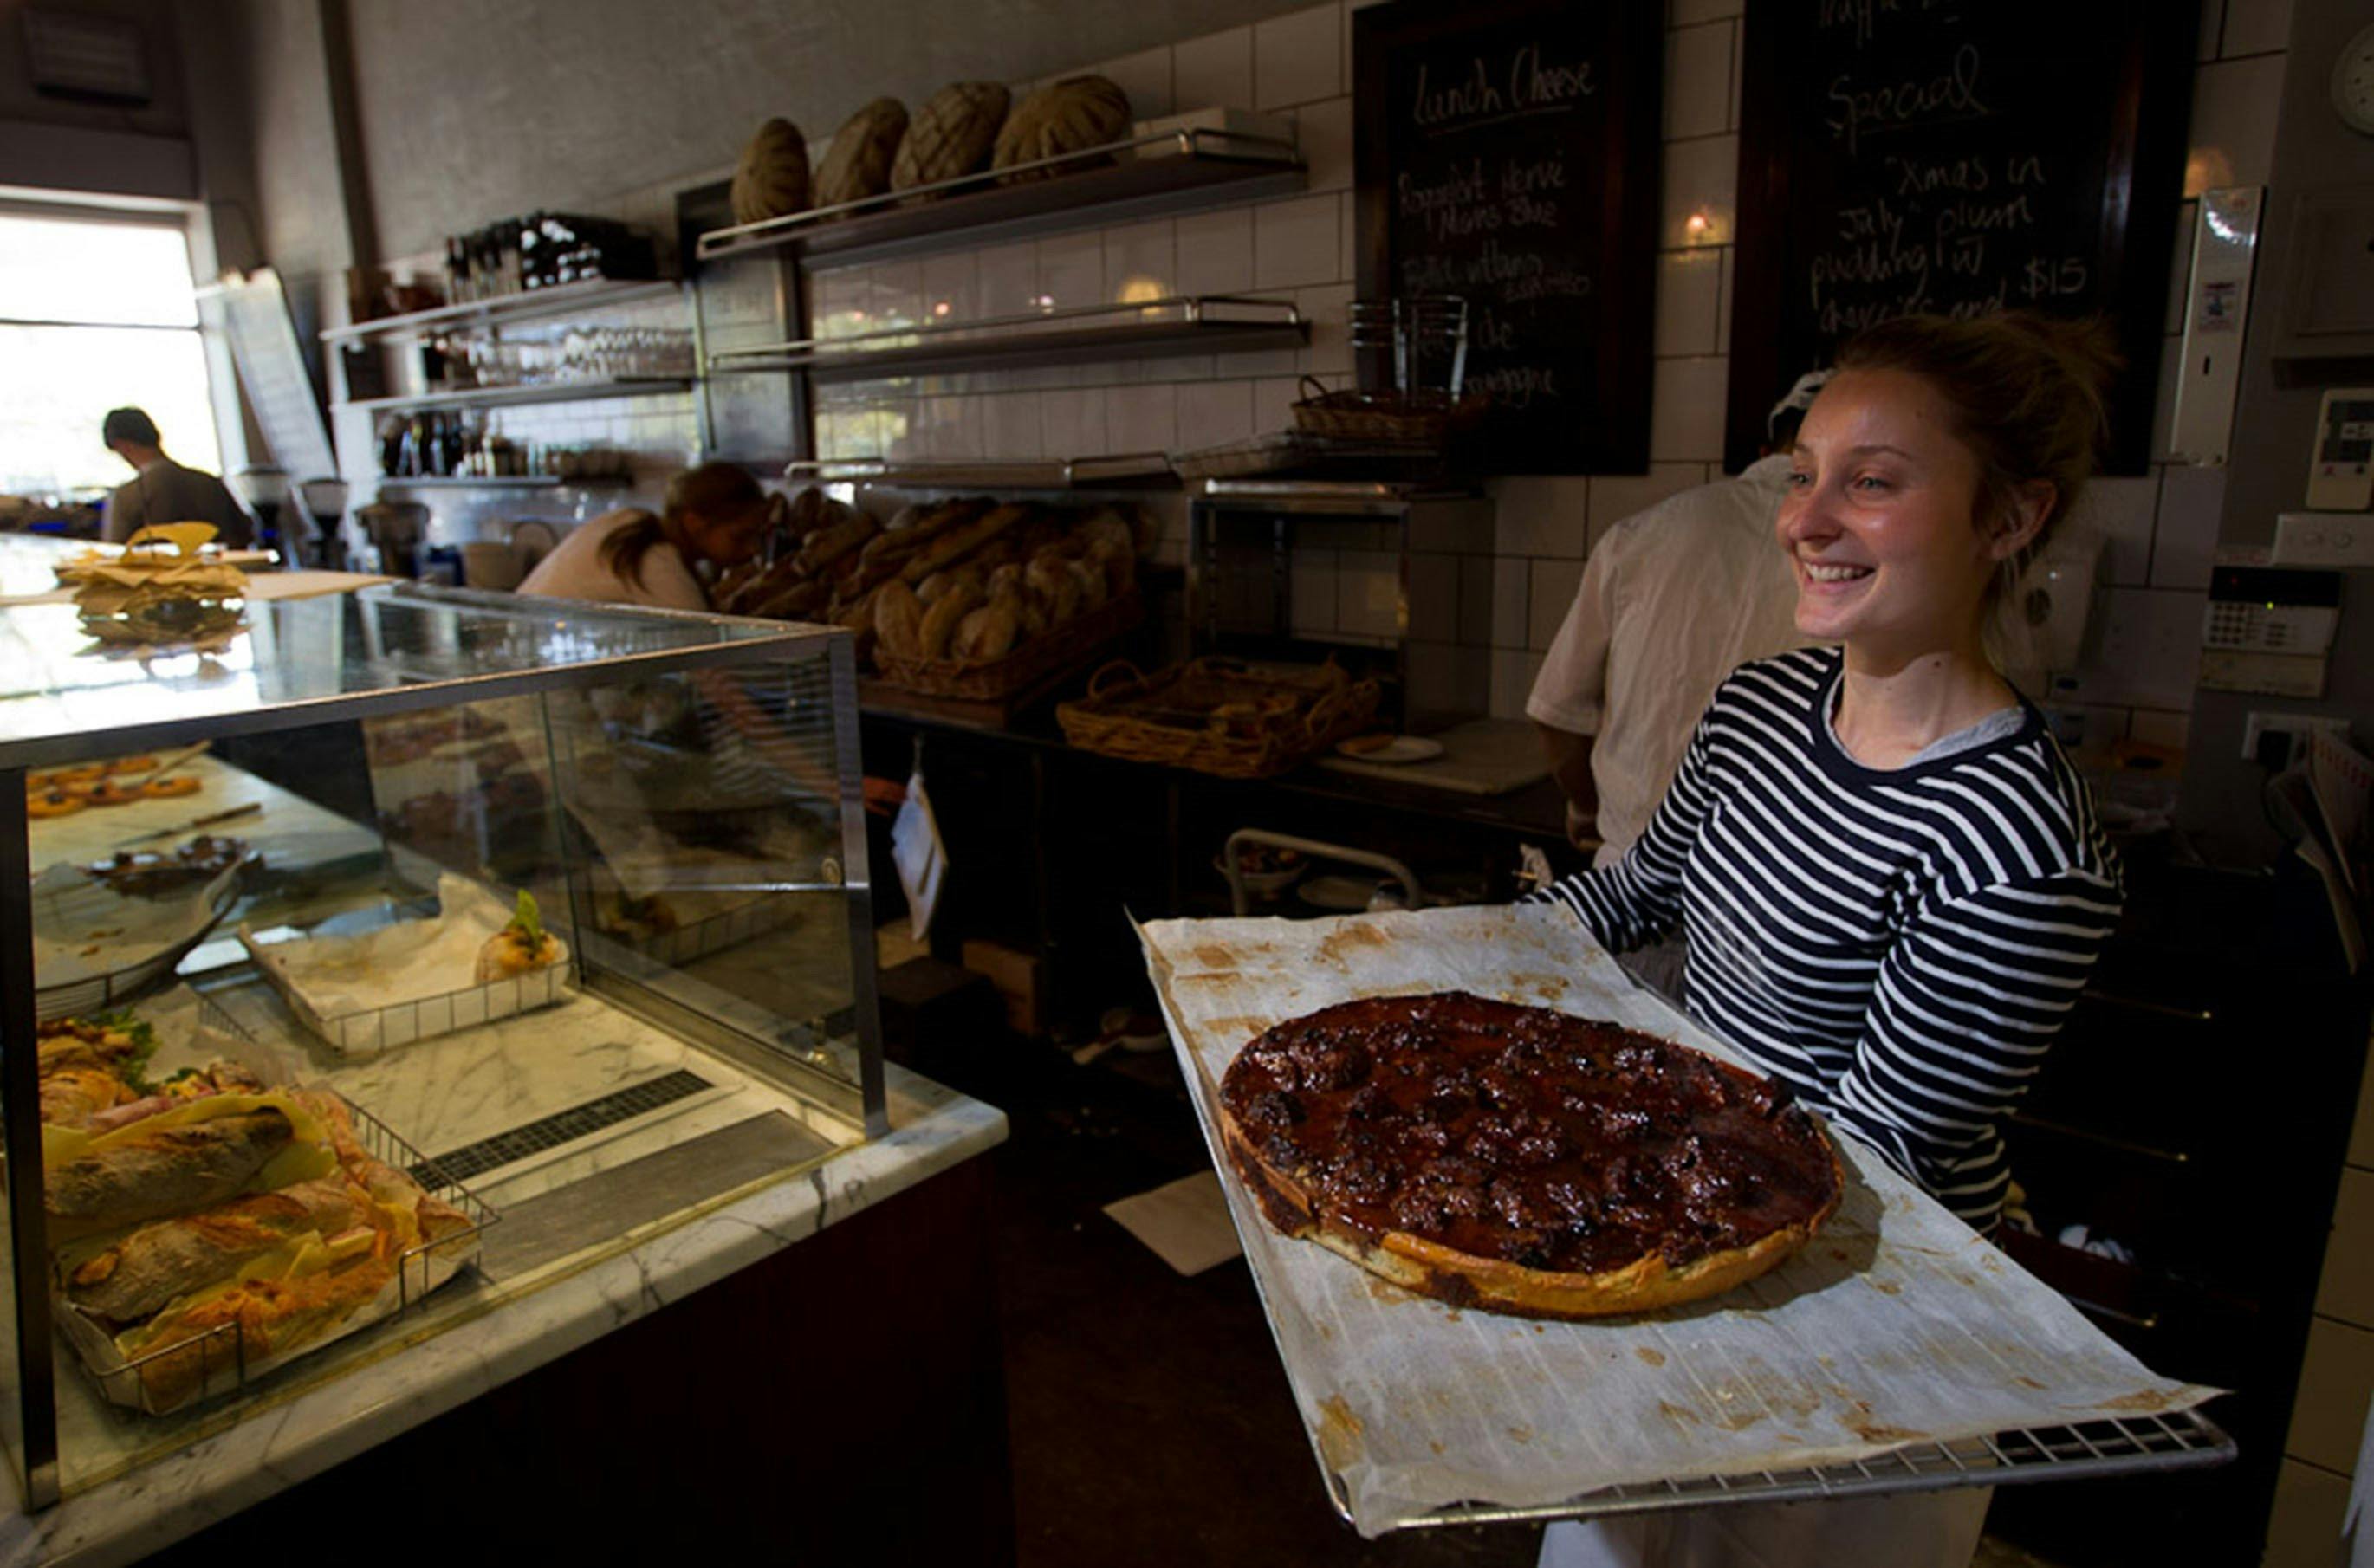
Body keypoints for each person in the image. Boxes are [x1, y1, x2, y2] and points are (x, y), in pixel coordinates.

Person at [1530, 312, 2125, 1568]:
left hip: (1855, 1334)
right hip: (1694, 1228)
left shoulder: (2017, 840)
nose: (1804, 520)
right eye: (1806, 475)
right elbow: (1629, 896)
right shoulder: (1757, 706)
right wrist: (1428, 962)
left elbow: (1869, 1152)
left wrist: (1595, 1179)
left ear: (2011, 519)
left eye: (1874, 482)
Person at [1529, 373, 1829, 866]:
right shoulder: (1862, 560)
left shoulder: (1645, 533)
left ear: (1762, 450)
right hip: (1772, 890)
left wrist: (1585, 807)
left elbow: (1556, 715)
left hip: (1629, 875)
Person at [516, 462, 773, 609]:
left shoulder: (629, 519)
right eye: (740, 536)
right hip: (541, 672)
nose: (752, 549)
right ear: (694, 522)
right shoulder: (659, 565)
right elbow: (709, 672)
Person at [100, 407, 254, 547]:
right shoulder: (210, 483)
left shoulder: (126, 497)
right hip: (220, 574)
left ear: (121, 446)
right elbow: (245, 536)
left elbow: (115, 553)